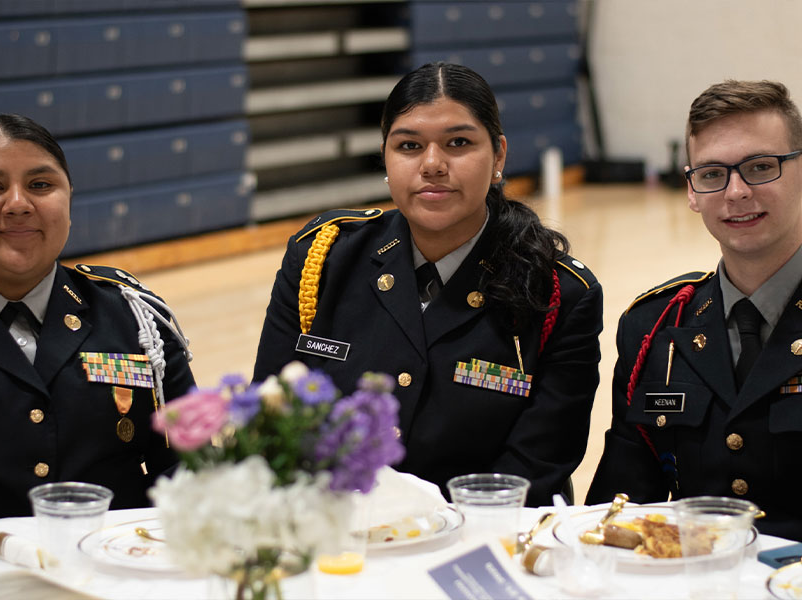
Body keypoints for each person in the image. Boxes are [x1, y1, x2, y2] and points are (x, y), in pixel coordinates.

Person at [254, 62, 603, 506]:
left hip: (485, 531)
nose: (433, 164)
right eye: (409, 146)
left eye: (458, 143)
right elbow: (271, 417)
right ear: (385, 157)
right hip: (336, 524)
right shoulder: (322, 258)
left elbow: (536, 464)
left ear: (498, 156)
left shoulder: (558, 292)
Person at [586, 80, 802, 541]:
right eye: (711, 174)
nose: (736, 192)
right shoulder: (654, 328)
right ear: (691, 190)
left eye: (760, 167)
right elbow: (623, 505)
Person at [0, 114, 195, 520]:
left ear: (69, 201)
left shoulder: (134, 317)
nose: (18, 204)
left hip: (114, 553)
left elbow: (188, 467)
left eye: (40, 185)